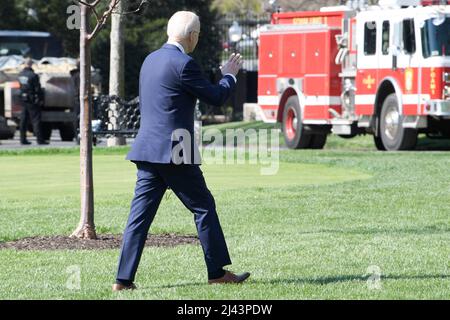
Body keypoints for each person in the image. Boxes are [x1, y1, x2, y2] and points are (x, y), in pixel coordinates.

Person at [113, 11, 249, 291]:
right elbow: (216, 97)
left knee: (138, 219)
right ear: (192, 36)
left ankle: (123, 280)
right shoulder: (185, 64)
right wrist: (229, 77)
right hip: (175, 151)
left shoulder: (150, 60)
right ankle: (217, 272)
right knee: (203, 207)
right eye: (198, 34)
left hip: (147, 151)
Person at [18, 57, 48, 145]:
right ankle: (39, 140)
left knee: (23, 120)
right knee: (36, 120)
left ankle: (22, 139)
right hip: (32, 100)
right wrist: (41, 99)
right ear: (31, 64)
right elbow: (37, 89)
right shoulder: (33, 75)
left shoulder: (20, 74)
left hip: (23, 100)